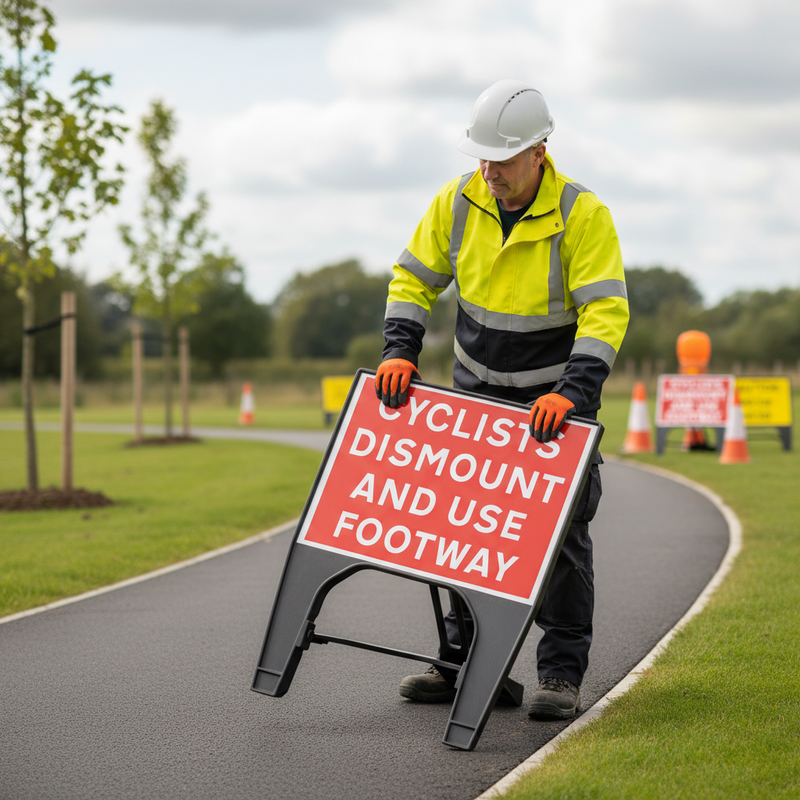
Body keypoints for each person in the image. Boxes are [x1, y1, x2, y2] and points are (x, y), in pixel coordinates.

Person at [374, 79, 629, 721]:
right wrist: (400, 349)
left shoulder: (583, 213)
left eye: (503, 160)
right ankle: (461, 661)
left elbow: (604, 311)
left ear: (539, 151)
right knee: (464, 528)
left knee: (562, 535)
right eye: (482, 158)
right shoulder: (457, 201)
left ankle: (559, 676)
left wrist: (572, 394)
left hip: (555, 403)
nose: (490, 172)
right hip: (478, 395)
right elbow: (412, 277)